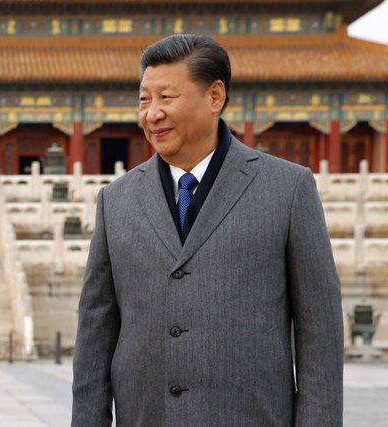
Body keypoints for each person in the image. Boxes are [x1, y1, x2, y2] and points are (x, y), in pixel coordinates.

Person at [72, 34, 343, 426]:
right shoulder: (116, 199)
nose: (152, 114)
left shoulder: (287, 188)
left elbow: (320, 331)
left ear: (215, 96)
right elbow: (95, 331)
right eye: (144, 100)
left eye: (166, 97)